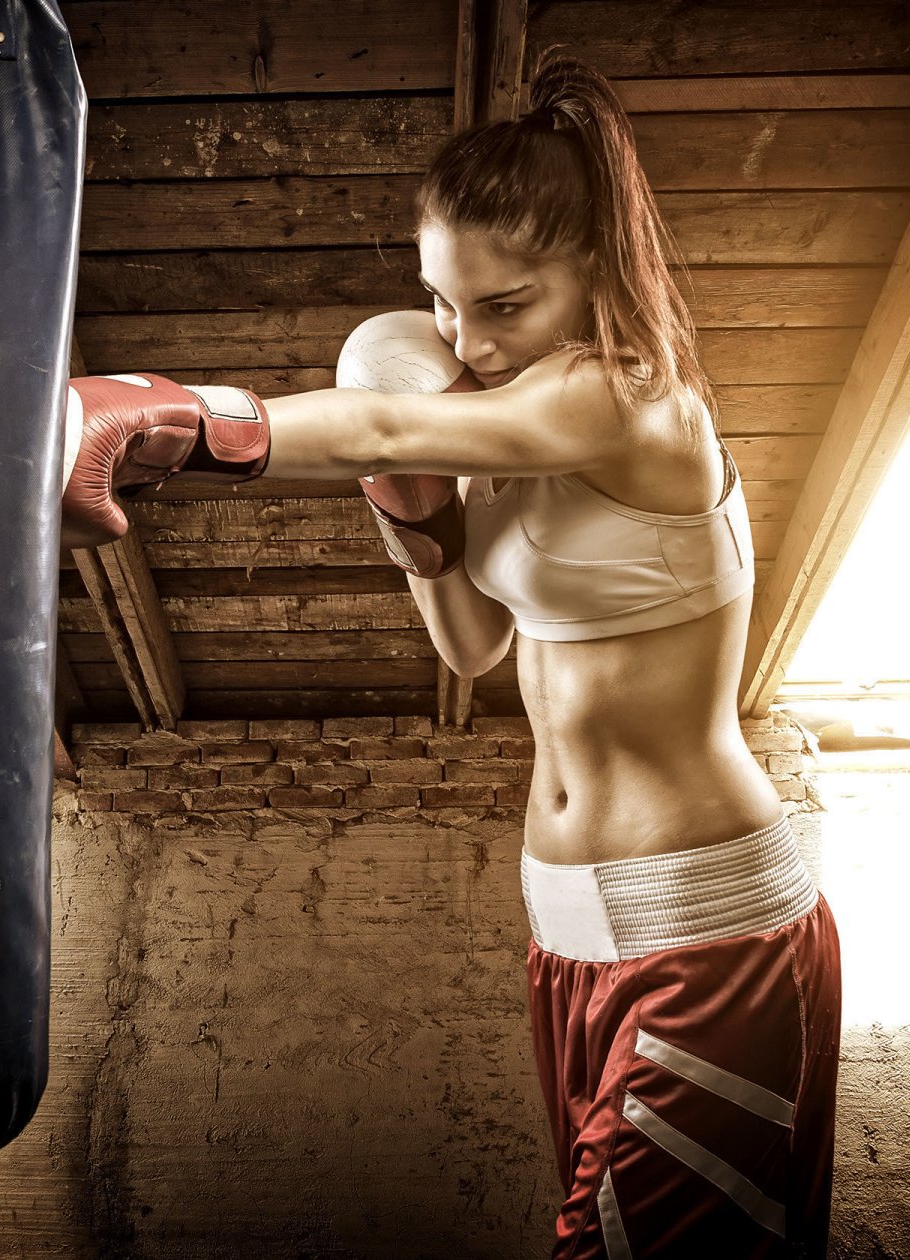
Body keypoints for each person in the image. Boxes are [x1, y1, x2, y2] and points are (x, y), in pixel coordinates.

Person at [61, 47, 843, 1260]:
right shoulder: (505, 421)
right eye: (440, 301)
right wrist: (413, 510)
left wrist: (167, 412)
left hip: (703, 923)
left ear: (596, 268)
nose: (464, 341)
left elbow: (379, 413)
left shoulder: (632, 403)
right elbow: (475, 645)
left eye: (504, 304)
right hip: (567, 932)